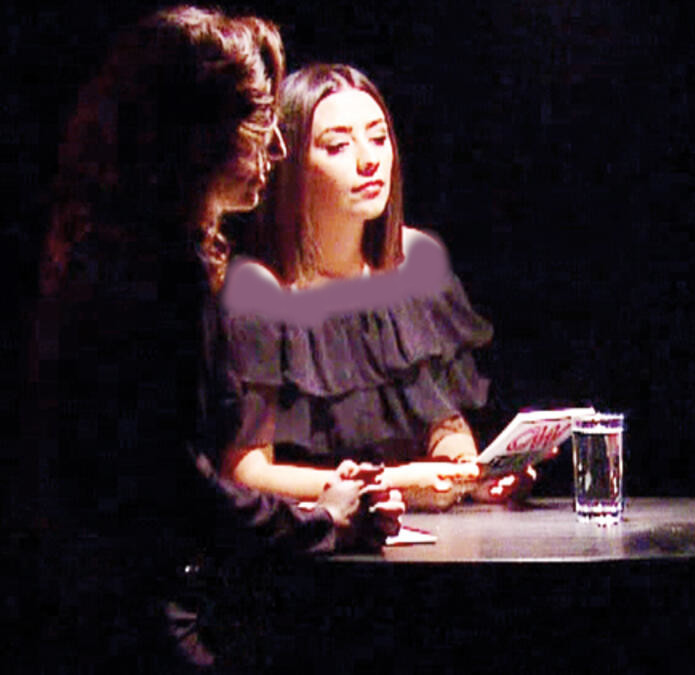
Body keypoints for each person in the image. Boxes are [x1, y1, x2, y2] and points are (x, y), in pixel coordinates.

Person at [35, 8, 401, 670]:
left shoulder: (121, 255)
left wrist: (319, 501)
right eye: (257, 126)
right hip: (132, 619)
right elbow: (174, 483)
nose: (276, 150)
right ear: (194, 137)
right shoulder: (153, 275)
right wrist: (322, 520)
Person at [222, 63, 531, 510]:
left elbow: (446, 427)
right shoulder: (259, 289)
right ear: (288, 164)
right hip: (313, 538)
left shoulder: (416, 263)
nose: (369, 160)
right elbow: (246, 473)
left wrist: (470, 475)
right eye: (338, 146)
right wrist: (394, 483)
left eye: (379, 138)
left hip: (425, 537)